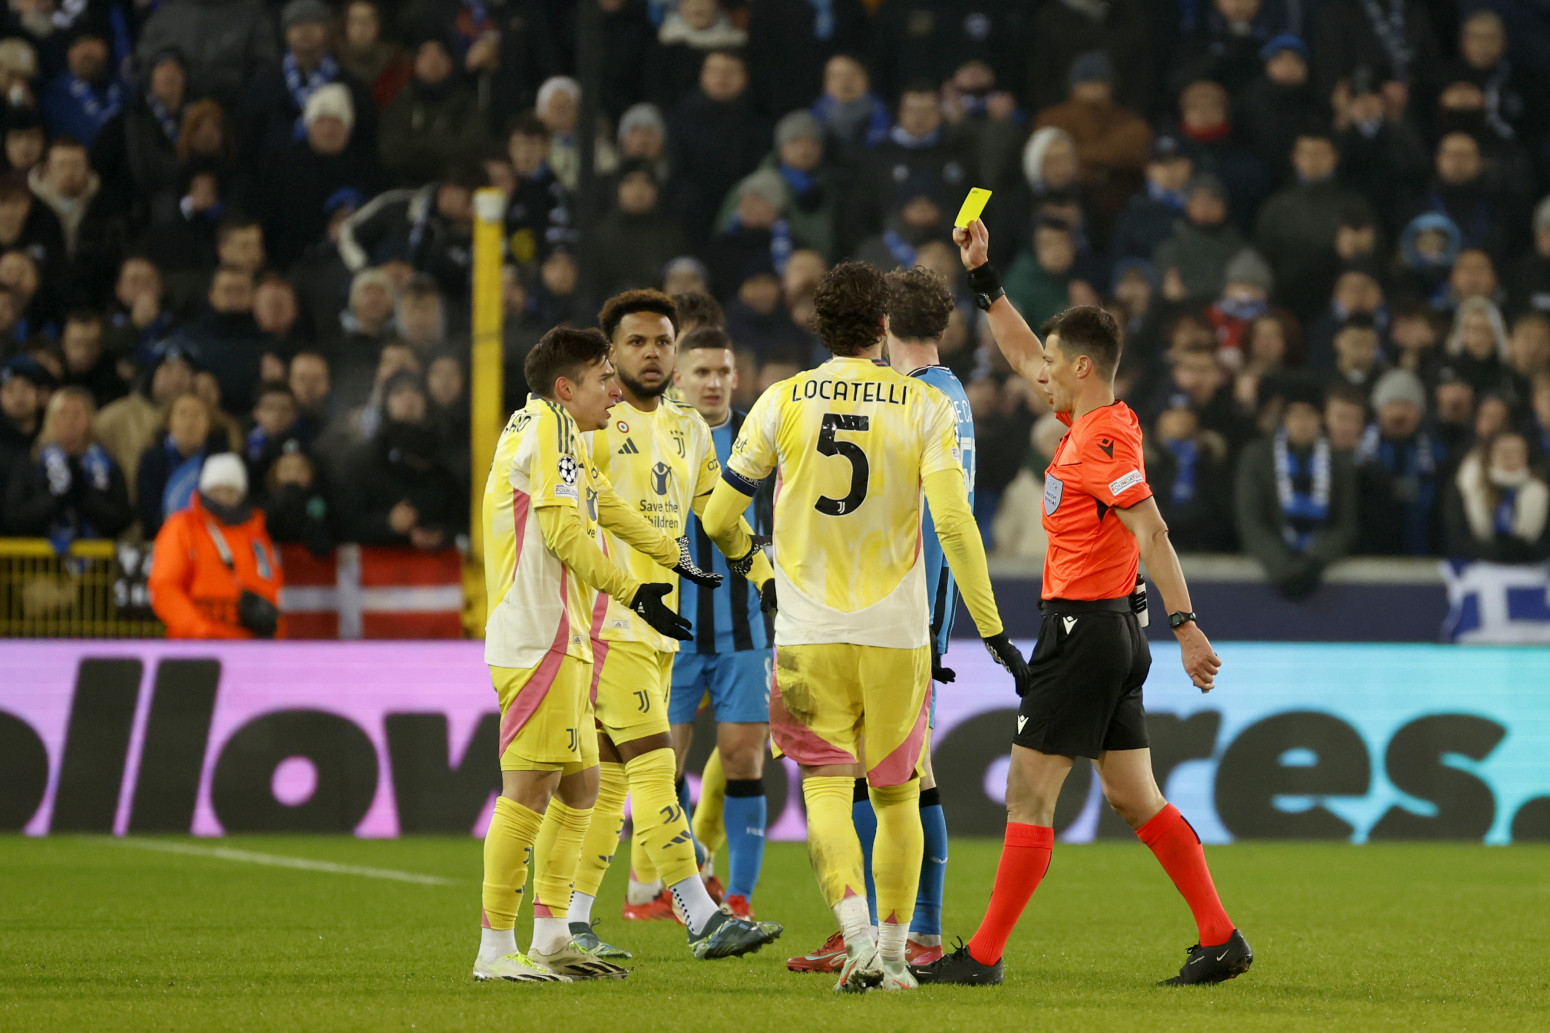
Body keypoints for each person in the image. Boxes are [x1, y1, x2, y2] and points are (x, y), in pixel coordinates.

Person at [919, 218, 1248, 989]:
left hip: (1089, 631)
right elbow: (1021, 350)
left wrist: (1188, 626)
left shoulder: (1101, 444)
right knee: (1135, 796)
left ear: (1087, 366)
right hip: (1112, 629)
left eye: (1058, 367)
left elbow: (1154, 530)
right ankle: (1219, 936)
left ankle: (985, 958)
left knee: (1030, 791)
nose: (1043, 374)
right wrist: (984, 278)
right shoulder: (1094, 419)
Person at [700, 261, 1028, 993]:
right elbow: (953, 521)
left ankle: (852, 934)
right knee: (897, 793)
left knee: (824, 789)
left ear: (820, 326)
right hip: (897, 634)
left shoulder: (781, 401)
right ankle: (891, 951)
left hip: (808, 631)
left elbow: (719, 515)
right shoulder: (923, 407)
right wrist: (996, 630)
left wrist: (760, 573)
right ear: (884, 326)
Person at [471, 325, 767, 984]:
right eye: (604, 377)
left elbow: (607, 507)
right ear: (565, 386)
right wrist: (636, 590)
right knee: (527, 790)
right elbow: (565, 531)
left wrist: (675, 557)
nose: (615, 388)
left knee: (583, 784)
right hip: (537, 634)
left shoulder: (566, 434)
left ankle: (551, 933)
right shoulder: (541, 426)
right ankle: (494, 947)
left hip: (570, 634)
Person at [565, 291, 780, 954]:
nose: (652, 353)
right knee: (656, 767)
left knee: (607, 784)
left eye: (662, 341)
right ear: (611, 352)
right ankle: (703, 916)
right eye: (637, 342)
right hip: (608, 623)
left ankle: (566, 921)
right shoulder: (590, 426)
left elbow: (719, 513)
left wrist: (766, 580)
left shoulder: (686, 429)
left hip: (662, 629)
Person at [789, 265, 975, 972]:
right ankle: (893, 927)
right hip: (917, 604)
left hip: (897, 605)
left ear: (882, 325)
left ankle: (898, 928)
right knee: (899, 770)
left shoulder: (910, 401)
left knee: (892, 772)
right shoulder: (948, 394)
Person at [660, 327, 773, 926]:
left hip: (745, 627)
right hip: (673, 627)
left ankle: (741, 895)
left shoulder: (761, 435)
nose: (712, 382)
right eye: (700, 371)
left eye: (722, 372)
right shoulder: (656, 435)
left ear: (735, 376)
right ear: (678, 377)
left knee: (741, 758)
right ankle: (692, 869)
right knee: (663, 764)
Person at [1235, 378, 1360, 599]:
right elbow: (1251, 520)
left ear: (1321, 418)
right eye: (1295, 414)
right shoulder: (1257, 457)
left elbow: (1345, 523)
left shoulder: (1340, 463)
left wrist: (1314, 563)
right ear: (1284, 417)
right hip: (1273, 574)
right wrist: (1283, 568)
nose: (1302, 422)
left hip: (1318, 572)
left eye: (1309, 414)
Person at [147, 452, 283, 639]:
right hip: (195, 646)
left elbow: (271, 588)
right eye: (216, 490)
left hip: (246, 645)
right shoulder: (182, 527)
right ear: (204, 490)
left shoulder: (255, 533)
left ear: (242, 494)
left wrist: (272, 628)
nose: (223, 498)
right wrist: (199, 629)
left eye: (231, 491)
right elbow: (165, 587)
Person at [4, 385, 132, 544]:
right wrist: (56, 498)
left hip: (97, 563)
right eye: (63, 414)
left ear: (90, 421)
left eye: (78, 414)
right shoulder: (32, 461)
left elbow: (122, 518)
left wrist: (85, 495)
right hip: (39, 563)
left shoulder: (107, 464)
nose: (70, 422)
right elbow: (15, 517)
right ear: (50, 420)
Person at [135, 390, 224, 538]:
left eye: (197, 414)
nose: (190, 421)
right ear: (169, 421)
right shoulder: (152, 459)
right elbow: (147, 511)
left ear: (209, 423)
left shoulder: (220, 459)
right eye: (183, 414)